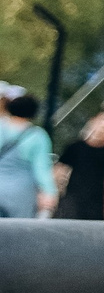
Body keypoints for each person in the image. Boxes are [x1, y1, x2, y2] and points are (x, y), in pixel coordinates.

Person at [55, 112, 104, 221]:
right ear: (93, 122)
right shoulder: (75, 147)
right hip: (73, 198)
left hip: (97, 201)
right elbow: (59, 170)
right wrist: (54, 193)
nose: (103, 128)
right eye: (101, 123)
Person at [0, 88, 54, 219]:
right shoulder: (38, 136)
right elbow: (41, 168)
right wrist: (49, 191)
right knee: (18, 230)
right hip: (21, 192)